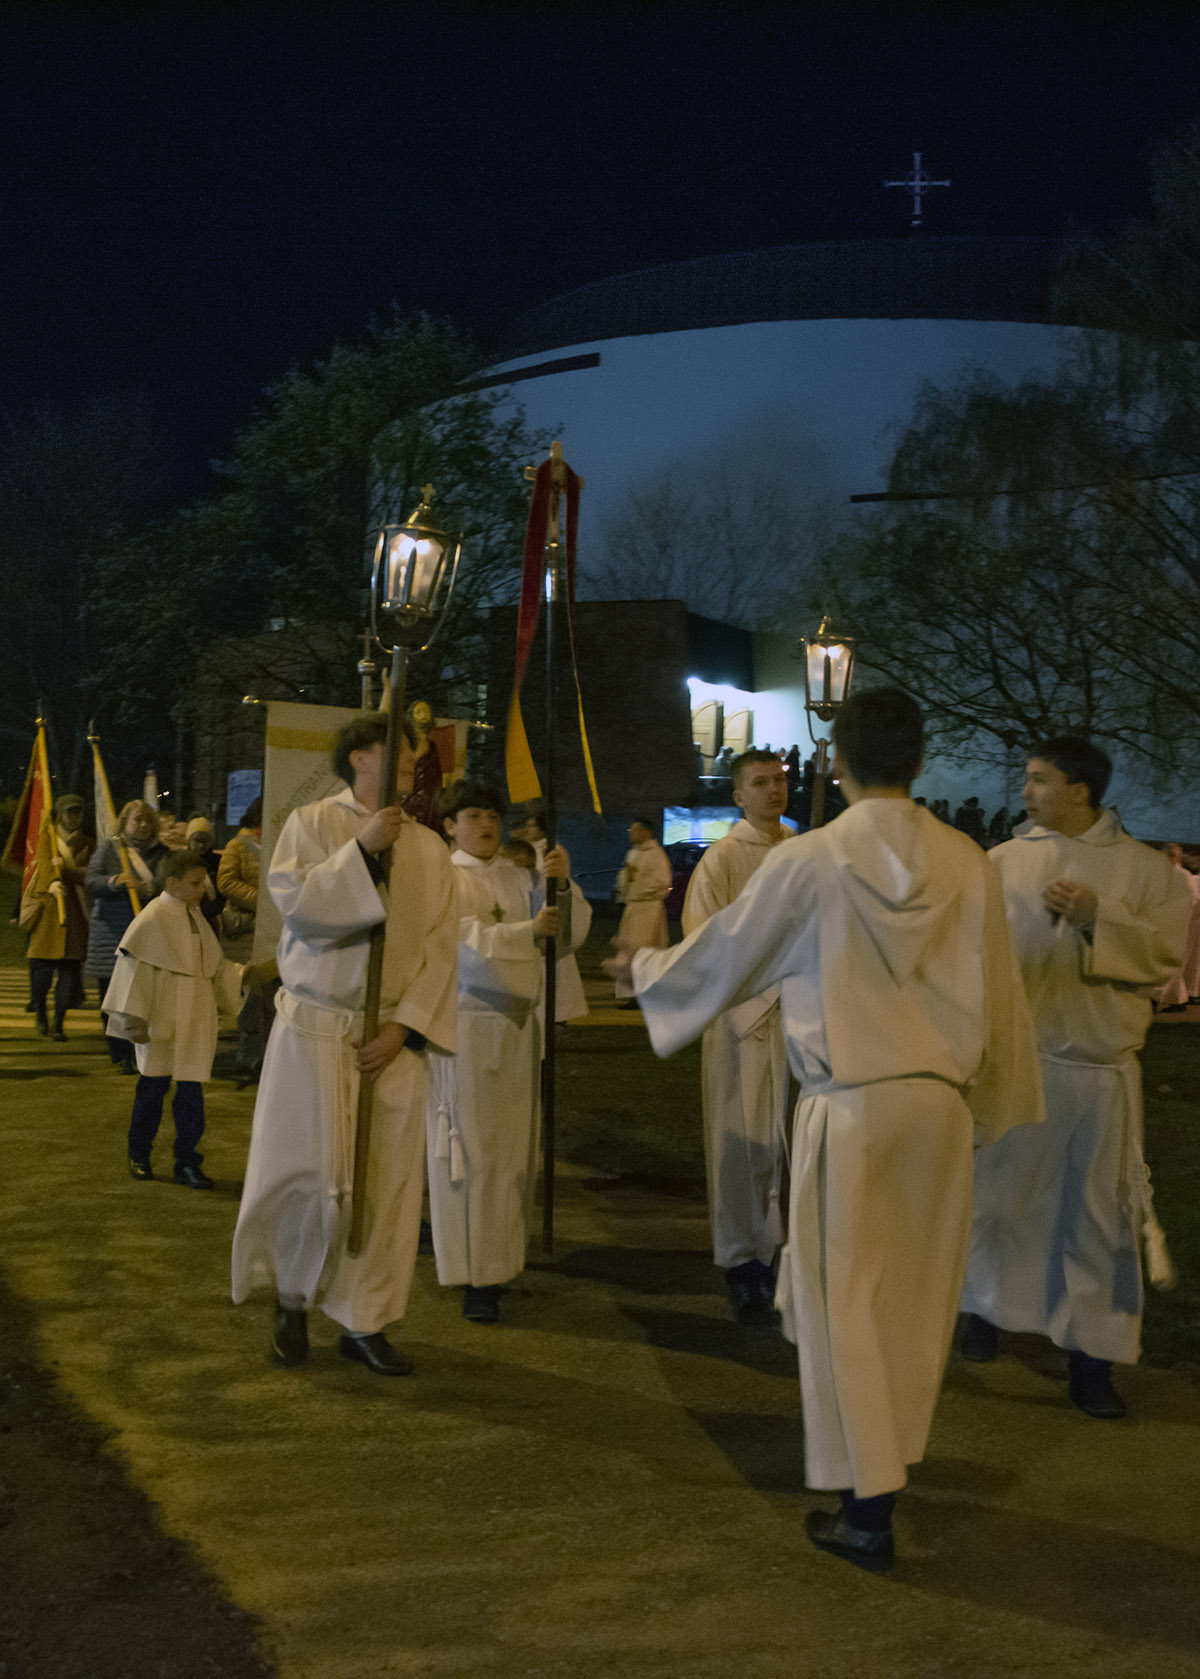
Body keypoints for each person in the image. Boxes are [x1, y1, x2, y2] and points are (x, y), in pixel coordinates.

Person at [606, 689, 1042, 1572]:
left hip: (854, 1109)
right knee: (916, 1299)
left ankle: (866, 1506)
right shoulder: (968, 860)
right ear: (920, 760)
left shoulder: (811, 858)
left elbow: (729, 949)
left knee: (851, 1300)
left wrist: (647, 969)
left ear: (837, 764)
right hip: (939, 1110)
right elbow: (1001, 991)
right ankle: (887, 1467)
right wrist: (993, 1104)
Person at [959, 736, 1191, 1420]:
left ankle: (1092, 1360)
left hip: (1096, 1075)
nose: (1025, 791)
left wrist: (1098, 920)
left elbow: (1167, 956)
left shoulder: (1146, 871)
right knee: (998, 1204)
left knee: (1094, 1221)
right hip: (1018, 1066)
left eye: (1038, 779)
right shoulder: (1001, 862)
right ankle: (983, 1310)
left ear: (1079, 791)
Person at [231, 716, 457, 1376]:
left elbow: (442, 947)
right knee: (305, 1174)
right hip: (317, 1030)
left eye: (418, 752)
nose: (414, 760)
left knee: (386, 1184)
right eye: (401, 748)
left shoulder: (430, 849)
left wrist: (404, 1027)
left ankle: (366, 1317)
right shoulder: (311, 825)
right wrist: (361, 850)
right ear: (359, 756)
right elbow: (300, 908)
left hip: (389, 1040)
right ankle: (292, 1301)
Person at [427, 781, 588, 1323]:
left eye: (493, 816)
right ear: (450, 825)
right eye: (473, 816)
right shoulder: (442, 878)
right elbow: (459, 943)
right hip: (466, 1029)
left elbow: (562, 939)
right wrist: (527, 931)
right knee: (471, 1152)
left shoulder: (519, 876)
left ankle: (499, 1263)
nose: (486, 825)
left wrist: (559, 887)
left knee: (513, 1153)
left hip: (518, 1030)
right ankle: (472, 1272)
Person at [681, 751, 793, 1324]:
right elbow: (704, 942)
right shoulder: (722, 860)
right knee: (739, 1145)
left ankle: (779, 1254)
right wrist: (762, 992)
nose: (774, 790)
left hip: (795, 1026)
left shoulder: (799, 852)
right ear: (738, 796)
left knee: (784, 1145)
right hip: (741, 1024)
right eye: (760, 783)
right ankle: (742, 1263)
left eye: (779, 780)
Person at [104, 850, 246, 1188]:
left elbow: (212, 967)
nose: (203, 889)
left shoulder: (195, 917)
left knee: (191, 1095)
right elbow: (135, 972)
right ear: (172, 883)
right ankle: (139, 1154)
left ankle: (187, 1162)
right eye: (195, 883)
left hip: (195, 1016)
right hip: (162, 1016)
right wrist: (134, 1020)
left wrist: (245, 976)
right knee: (152, 1091)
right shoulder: (153, 918)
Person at [86, 800, 168, 1073]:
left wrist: (147, 889)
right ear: (125, 822)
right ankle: (120, 1052)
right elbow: (91, 881)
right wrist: (114, 882)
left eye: (147, 820)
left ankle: (139, 1049)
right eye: (137, 820)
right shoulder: (110, 850)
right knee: (113, 994)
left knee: (143, 994)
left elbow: (169, 883)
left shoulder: (162, 853)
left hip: (147, 932)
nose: (142, 825)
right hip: (112, 933)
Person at [510, 802, 593, 1022]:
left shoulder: (549, 850)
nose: (528, 830)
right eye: (526, 825)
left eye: (532, 825)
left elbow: (549, 882)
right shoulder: (524, 849)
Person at [22, 793, 94, 1040]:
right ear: (60, 815)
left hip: (74, 914)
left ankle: (59, 1024)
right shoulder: (48, 838)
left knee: (69, 974)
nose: (73, 817)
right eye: (68, 812)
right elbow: (42, 864)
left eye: (77, 812)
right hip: (49, 915)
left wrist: (67, 871)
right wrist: (51, 882)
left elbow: (90, 875)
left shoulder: (88, 844)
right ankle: (41, 1014)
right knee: (41, 975)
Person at [612, 819, 671, 1006]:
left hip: (648, 909)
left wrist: (636, 880)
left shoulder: (656, 855)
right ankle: (631, 991)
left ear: (646, 832)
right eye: (630, 829)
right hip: (633, 907)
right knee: (629, 950)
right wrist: (627, 878)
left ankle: (642, 993)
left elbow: (662, 883)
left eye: (635, 829)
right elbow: (626, 880)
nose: (631, 832)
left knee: (643, 951)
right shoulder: (632, 853)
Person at [1152, 843, 1200, 1011]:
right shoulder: (1184, 875)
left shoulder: (1170, 874)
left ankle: (1165, 998)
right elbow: (1194, 901)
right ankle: (1175, 998)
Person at [404, 699, 444, 833]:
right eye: (418, 712)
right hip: (411, 796)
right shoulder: (407, 744)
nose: (423, 715)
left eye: (426, 712)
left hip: (430, 798)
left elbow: (436, 775)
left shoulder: (433, 747)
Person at [185, 815, 225, 934]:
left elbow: (224, 891)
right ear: (188, 841)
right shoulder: (181, 862)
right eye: (197, 841)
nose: (201, 845)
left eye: (205, 841)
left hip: (215, 918)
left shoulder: (219, 862)